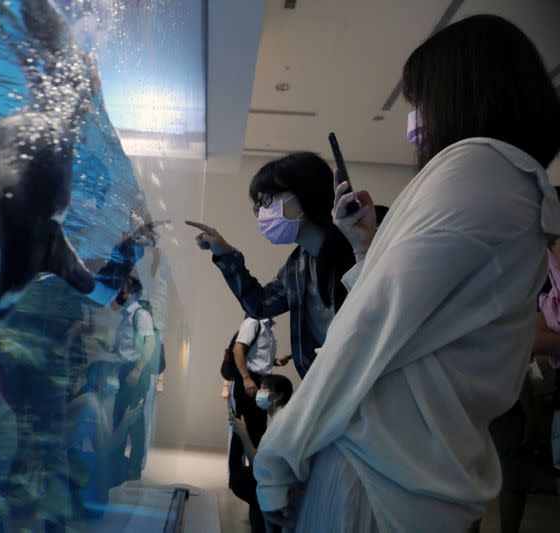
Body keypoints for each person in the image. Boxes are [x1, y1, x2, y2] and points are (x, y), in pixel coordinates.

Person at [243, 14, 560, 532]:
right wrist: (369, 246)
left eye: (419, 101)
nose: (414, 121)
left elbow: (366, 329)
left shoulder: (476, 168)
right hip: (421, 476)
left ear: (462, 91)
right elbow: (428, 322)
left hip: (376, 474)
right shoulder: (519, 188)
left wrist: (278, 456)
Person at [187, 150, 357, 380]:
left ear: (306, 190)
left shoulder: (358, 243)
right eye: (257, 206)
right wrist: (226, 255)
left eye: (266, 200)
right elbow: (259, 305)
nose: (262, 213)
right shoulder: (296, 266)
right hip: (328, 382)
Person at [67, 357, 143, 515]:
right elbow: (103, 449)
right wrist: (127, 422)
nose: (115, 380)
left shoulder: (97, 402)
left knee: (119, 465)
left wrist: (127, 421)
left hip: (76, 460)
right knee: (114, 467)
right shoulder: (91, 404)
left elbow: (106, 444)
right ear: (98, 379)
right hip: (69, 463)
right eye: (111, 375)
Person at [229, 374, 294, 533]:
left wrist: (243, 433)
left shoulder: (280, 421)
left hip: (279, 483)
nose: (259, 392)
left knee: (240, 480)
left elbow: (256, 460)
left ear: (278, 396)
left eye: (265, 388)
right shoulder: (280, 418)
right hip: (276, 479)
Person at [110, 275, 156, 480]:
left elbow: (150, 344)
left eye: (123, 287)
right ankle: (119, 464)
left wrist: (137, 370)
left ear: (132, 292)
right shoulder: (127, 315)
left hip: (134, 372)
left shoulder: (140, 314)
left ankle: (133, 467)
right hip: (126, 371)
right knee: (121, 418)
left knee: (134, 421)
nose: (120, 290)